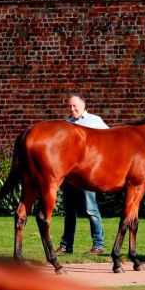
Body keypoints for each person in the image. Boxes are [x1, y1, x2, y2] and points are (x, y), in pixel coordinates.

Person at [56, 94, 108, 255]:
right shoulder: (67, 124)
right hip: (70, 175)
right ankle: (66, 246)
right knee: (69, 210)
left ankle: (98, 245)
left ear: (83, 105)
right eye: (70, 106)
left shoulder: (95, 121)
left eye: (75, 106)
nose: (72, 109)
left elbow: (109, 140)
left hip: (87, 174)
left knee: (91, 208)